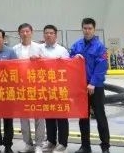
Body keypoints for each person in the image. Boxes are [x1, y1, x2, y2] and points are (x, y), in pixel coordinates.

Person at [69, 18, 110, 153]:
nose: (87, 31)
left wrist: (93, 82)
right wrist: (74, 58)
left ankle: (105, 146)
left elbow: (102, 66)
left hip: (95, 86)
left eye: (90, 28)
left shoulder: (100, 47)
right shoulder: (77, 45)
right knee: (83, 117)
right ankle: (85, 146)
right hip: (81, 87)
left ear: (94, 29)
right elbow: (69, 60)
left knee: (100, 116)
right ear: (82, 29)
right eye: (85, 28)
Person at [13, 23, 46, 153]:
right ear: (19, 33)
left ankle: (39, 144)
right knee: (23, 116)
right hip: (21, 87)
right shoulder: (15, 49)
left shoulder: (39, 48)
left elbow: (47, 64)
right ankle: (28, 143)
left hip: (37, 86)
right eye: (22, 31)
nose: (25, 33)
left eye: (27, 31)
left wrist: (39, 59)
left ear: (32, 32)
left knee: (39, 116)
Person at [40, 25, 70, 153]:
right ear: (44, 35)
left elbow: (69, 68)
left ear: (56, 35)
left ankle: (62, 143)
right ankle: (51, 141)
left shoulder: (62, 51)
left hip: (60, 88)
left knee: (62, 117)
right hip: (45, 88)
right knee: (49, 115)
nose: (48, 35)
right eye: (46, 33)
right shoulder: (40, 49)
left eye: (51, 33)